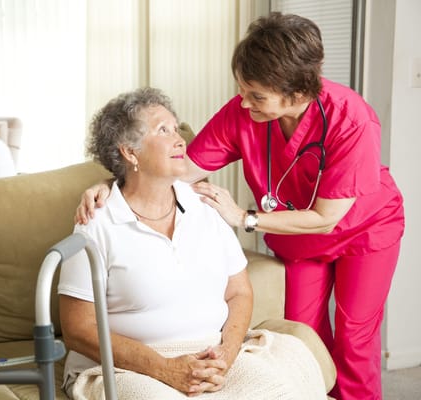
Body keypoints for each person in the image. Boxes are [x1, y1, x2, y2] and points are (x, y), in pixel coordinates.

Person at [75, 13, 405, 400]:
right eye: (243, 90)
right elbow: (178, 169)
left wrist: (242, 218)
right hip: (297, 237)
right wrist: (112, 183)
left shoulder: (351, 119)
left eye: (257, 95)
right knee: (300, 335)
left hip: (364, 232)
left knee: (354, 339)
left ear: (296, 94)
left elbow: (327, 216)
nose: (244, 102)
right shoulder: (243, 113)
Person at [59, 87, 326, 400]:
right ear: (130, 152)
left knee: (282, 390)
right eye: (163, 130)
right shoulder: (97, 222)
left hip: (211, 353)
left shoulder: (204, 205)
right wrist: (164, 369)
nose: (180, 139)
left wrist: (227, 352)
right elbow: (78, 329)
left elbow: (239, 291)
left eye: (176, 127)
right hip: (129, 367)